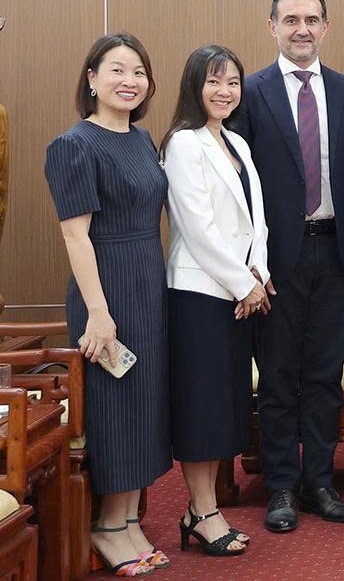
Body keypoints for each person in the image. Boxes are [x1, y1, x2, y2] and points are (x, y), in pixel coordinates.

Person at [234, 0, 344, 533]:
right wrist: (248, 262)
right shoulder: (250, 92)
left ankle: (318, 481)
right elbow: (237, 185)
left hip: (337, 253)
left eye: (311, 20)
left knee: (323, 375)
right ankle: (281, 486)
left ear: (325, 26)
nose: (302, 30)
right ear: (272, 27)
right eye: (291, 20)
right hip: (274, 261)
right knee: (276, 375)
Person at [44, 33, 171, 576]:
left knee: (145, 403)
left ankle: (129, 519)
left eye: (138, 71)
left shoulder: (142, 139)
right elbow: (75, 236)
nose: (129, 81)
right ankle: (108, 525)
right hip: (106, 289)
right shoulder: (74, 145)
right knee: (115, 405)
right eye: (117, 70)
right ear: (92, 79)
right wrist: (98, 312)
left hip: (148, 282)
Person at [161, 45, 267, 557]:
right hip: (199, 295)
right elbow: (197, 227)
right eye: (214, 82)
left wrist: (258, 274)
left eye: (232, 83)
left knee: (224, 405)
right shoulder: (183, 143)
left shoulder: (237, 142)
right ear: (194, 86)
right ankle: (203, 512)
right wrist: (243, 284)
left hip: (239, 293)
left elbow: (257, 221)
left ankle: (199, 512)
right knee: (201, 408)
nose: (224, 92)